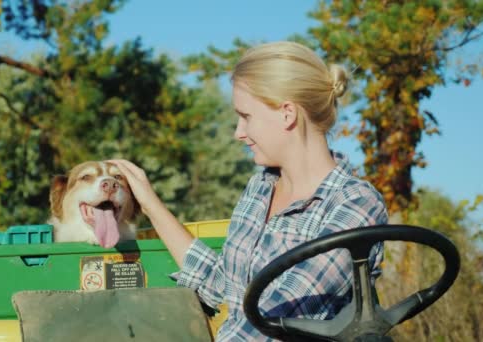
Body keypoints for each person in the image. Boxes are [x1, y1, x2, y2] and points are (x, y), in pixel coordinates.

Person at [110, 41, 388, 341]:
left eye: (246, 116)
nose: (238, 132)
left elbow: (279, 321)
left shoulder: (356, 204)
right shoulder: (260, 187)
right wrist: (149, 203)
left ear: (287, 114)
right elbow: (221, 284)